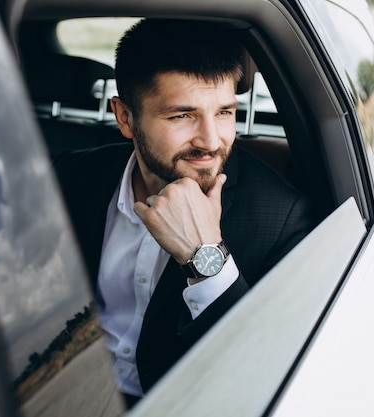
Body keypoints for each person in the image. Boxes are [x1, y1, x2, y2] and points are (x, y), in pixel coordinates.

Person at [54, 19, 317, 406]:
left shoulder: (283, 217)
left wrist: (205, 256)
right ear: (124, 117)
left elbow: (264, 371)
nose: (211, 141)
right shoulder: (69, 177)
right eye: (181, 116)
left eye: (225, 112)